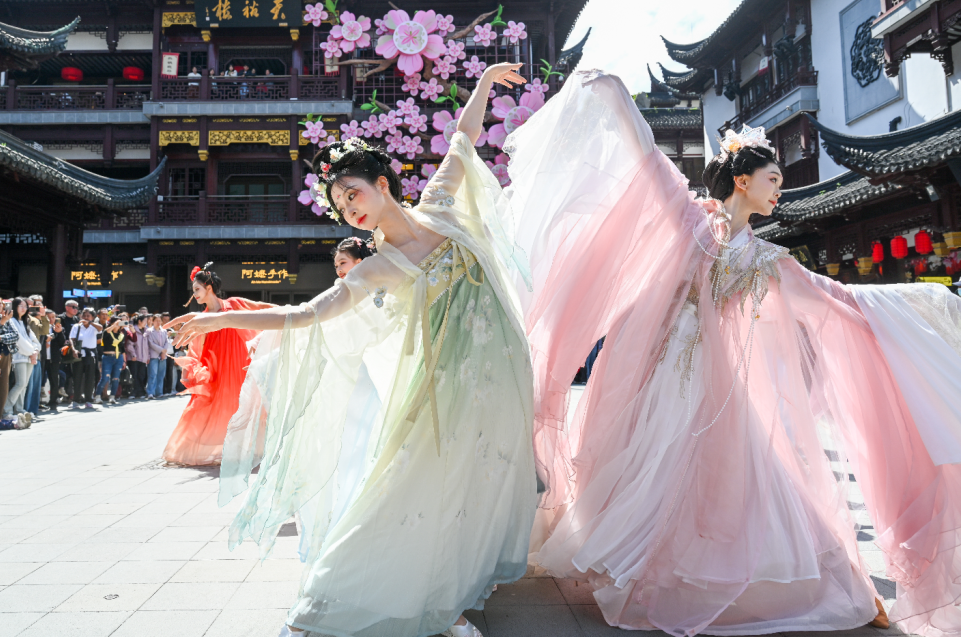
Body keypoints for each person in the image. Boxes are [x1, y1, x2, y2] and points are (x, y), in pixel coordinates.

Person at [504, 71, 961, 637]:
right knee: (659, 474)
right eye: (772, 178)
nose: (779, 190)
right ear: (741, 180)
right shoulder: (692, 222)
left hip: (718, 387)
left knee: (742, 476)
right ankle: (650, 572)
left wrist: (910, 305)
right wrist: (617, 96)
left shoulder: (768, 258)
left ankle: (823, 581)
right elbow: (648, 163)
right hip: (661, 376)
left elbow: (830, 298)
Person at [168, 63, 534, 637]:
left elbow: (462, 138)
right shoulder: (380, 266)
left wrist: (485, 80)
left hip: (489, 378)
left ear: (383, 185)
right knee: (404, 489)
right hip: (435, 390)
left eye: (354, 194)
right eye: (340, 204)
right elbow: (305, 314)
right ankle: (329, 601)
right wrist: (218, 321)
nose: (350, 210)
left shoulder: (439, 205)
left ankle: (448, 599)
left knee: (472, 486)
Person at [161, 264, 272, 465]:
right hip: (217, 363)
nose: (194, 294)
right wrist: (193, 367)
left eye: (197, 289)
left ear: (208, 287)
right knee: (213, 402)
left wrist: (292, 311)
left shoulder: (234, 303)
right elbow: (195, 346)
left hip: (239, 361)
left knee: (244, 400)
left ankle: (250, 449)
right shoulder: (202, 316)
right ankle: (222, 449)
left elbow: (259, 307)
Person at [6, 297, 39, 416]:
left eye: (25, 306)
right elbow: (18, 339)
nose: (24, 308)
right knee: (20, 383)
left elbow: (35, 340)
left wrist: (35, 350)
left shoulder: (25, 322)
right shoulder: (11, 321)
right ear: (15, 307)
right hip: (19, 356)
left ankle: (19, 409)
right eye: (21, 306)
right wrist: (32, 352)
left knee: (24, 385)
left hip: (30, 356)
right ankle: (7, 409)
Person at [69, 307, 99, 409]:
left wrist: (90, 323)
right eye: (84, 315)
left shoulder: (94, 327)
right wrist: (73, 350)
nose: (85, 317)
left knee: (90, 378)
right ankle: (76, 400)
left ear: (93, 317)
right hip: (79, 354)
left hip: (90, 355)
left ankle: (88, 400)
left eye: (88, 316)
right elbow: (72, 339)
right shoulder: (77, 326)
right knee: (77, 378)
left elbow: (101, 328)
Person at [25, 296, 49, 415]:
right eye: (26, 305)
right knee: (26, 387)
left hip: (37, 356)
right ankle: (24, 409)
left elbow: (45, 331)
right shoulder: (18, 319)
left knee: (35, 386)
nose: (29, 308)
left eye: (31, 306)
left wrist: (43, 316)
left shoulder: (35, 320)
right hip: (24, 357)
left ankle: (32, 410)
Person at [97, 316, 126, 404]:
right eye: (116, 323)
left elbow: (122, 348)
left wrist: (124, 361)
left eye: (119, 324)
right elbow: (106, 332)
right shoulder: (107, 332)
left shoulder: (121, 335)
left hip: (118, 357)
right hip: (107, 357)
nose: (118, 325)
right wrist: (114, 325)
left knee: (116, 378)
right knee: (105, 378)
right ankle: (98, 396)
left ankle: (112, 396)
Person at [44, 310, 66, 412]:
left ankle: (53, 402)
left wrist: (59, 332)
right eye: (49, 317)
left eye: (53, 317)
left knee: (54, 380)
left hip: (54, 359)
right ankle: (39, 401)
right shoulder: (41, 328)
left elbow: (62, 343)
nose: (51, 319)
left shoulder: (58, 329)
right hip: (42, 358)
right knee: (40, 380)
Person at [124, 315, 149, 399]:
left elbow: (147, 346)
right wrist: (133, 354)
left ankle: (140, 392)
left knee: (141, 375)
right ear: (139, 321)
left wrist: (148, 356)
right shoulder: (133, 329)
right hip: (134, 358)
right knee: (134, 376)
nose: (146, 323)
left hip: (143, 358)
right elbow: (129, 345)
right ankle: (133, 393)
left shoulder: (146, 331)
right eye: (145, 321)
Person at [146, 315, 168, 399]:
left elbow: (166, 342)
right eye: (156, 321)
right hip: (154, 355)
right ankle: (150, 392)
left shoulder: (164, 331)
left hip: (163, 355)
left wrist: (164, 351)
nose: (158, 322)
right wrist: (162, 350)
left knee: (161, 374)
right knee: (153, 374)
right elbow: (151, 343)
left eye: (160, 321)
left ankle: (159, 392)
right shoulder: (149, 331)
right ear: (153, 321)